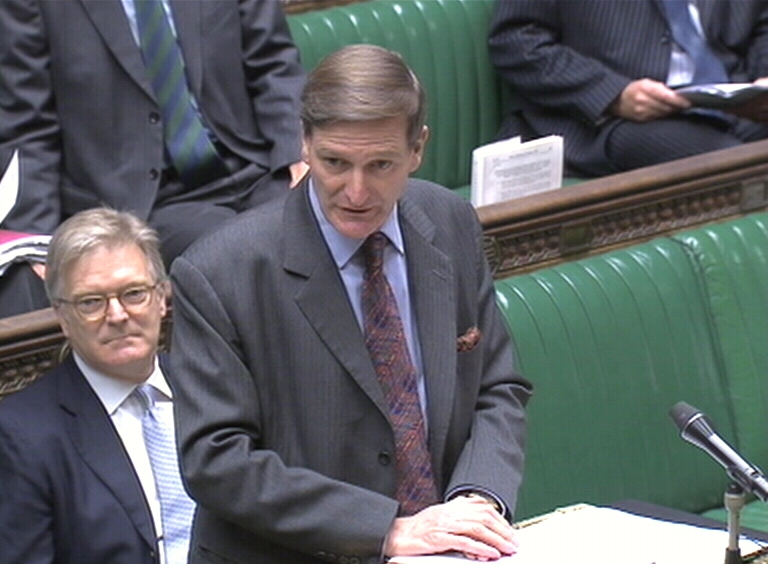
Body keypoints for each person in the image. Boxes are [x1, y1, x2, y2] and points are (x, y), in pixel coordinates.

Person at [169, 44, 532, 564]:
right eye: (335, 162)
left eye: (380, 164)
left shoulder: (449, 223)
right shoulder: (219, 272)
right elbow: (216, 459)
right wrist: (384, 530)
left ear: (417, 149)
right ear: (305, 144)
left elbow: (498, 386)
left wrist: (477, 499)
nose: (356, 192)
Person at [0, 0, 306, 316]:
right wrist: (35, 239)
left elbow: (275, 65)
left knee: (332, 214)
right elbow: (29, 125)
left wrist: (300, 151)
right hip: (148, 200)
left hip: (254, 166)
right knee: (247, 247)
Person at [0, 208, 194, 564]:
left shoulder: (211, 386)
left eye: (134, 293)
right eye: (92, 302)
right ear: (62, 316)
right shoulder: (19, 435)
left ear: (162, 298)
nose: (118, 315)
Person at [488, 0, 768, 177]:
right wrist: (613, 94)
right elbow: (515, 41)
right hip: (605, 119)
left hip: (731, 102)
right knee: (727, 162)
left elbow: (762, 25)